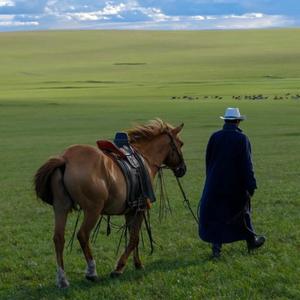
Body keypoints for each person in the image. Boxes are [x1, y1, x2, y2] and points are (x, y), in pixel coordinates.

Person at [198, 107, 265, 258]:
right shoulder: (242, 139)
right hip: (235, 187)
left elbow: (208, 161)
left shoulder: (214, 137)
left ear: (226, 121)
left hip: (214, 184)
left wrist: (210, 180)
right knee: (243, 213)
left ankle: (216, 249)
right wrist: (251, 185)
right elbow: (247, 165)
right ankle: (251, 241)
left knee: (217, 215)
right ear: (237, 121)